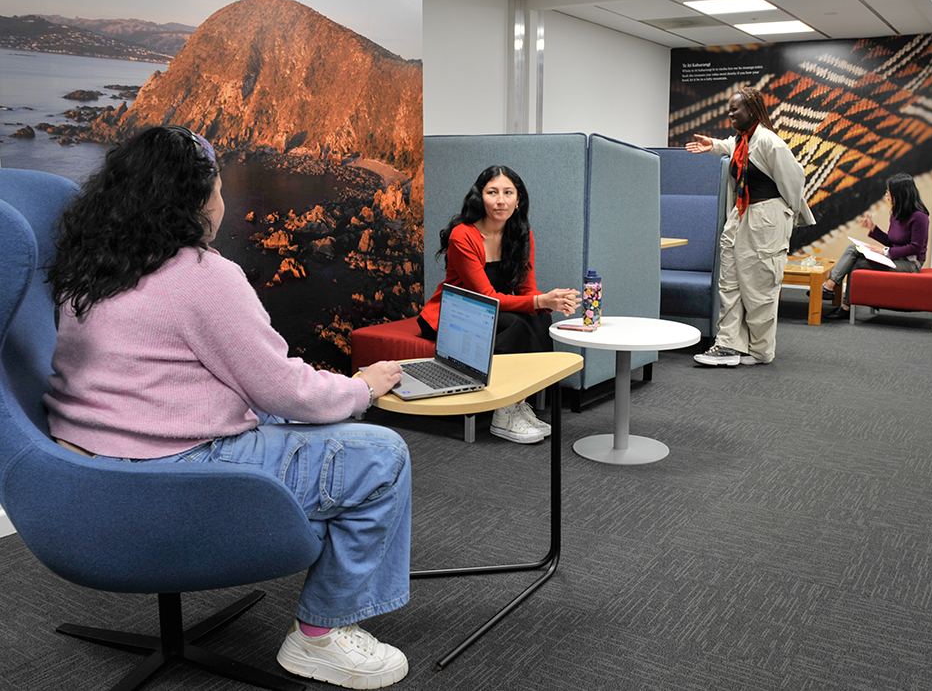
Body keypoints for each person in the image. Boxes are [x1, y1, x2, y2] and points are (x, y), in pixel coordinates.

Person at [43, 125, 411, 689]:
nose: (224, 199)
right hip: (176, 471)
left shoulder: (88, 261)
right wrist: (363, 386)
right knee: (383, 457)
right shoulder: (204, 276)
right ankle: (320, 638)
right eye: (217, 187)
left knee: (289, 423)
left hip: (84, 470)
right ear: (196, 202)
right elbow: (286, 390)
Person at [417, 165, 580, 443]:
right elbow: (486, 297)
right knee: (517, 323)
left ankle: (518, 402)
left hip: (492, 310)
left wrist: (548, 304)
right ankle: (503, 413)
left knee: (540, 318)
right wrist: (541, 300)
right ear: (480, 197)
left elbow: (527, 289)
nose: (500, 200)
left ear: (518, 200)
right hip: (456, 312)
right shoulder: (463, 235)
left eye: (508, 193)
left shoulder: (520, 234)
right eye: (492, 192)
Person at [686, 86, 815, 366]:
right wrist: (714, 145)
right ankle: (728, 345)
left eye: (736, 109)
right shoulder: (743, 139)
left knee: (759, 288)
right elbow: (733, 147)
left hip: (765, 217)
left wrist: (784, 217)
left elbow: (794, 182)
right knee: (729, 284)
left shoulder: (771, 142)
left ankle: (759, 350)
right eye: (729, 108)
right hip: (740, 216)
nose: (730, 113)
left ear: (753, 110)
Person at [818, 172, 929, 320]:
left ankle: (842, 302)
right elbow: (892, 241)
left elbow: (914, 247)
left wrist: (884, 252)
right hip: (895, 258)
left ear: (900, 193)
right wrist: (873, 228)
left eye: (889, 191)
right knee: (853, 249)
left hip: (911, 264)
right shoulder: (896, 212)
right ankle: (830, 288)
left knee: (858, 263)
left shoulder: (920, 217)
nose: (886, 194)